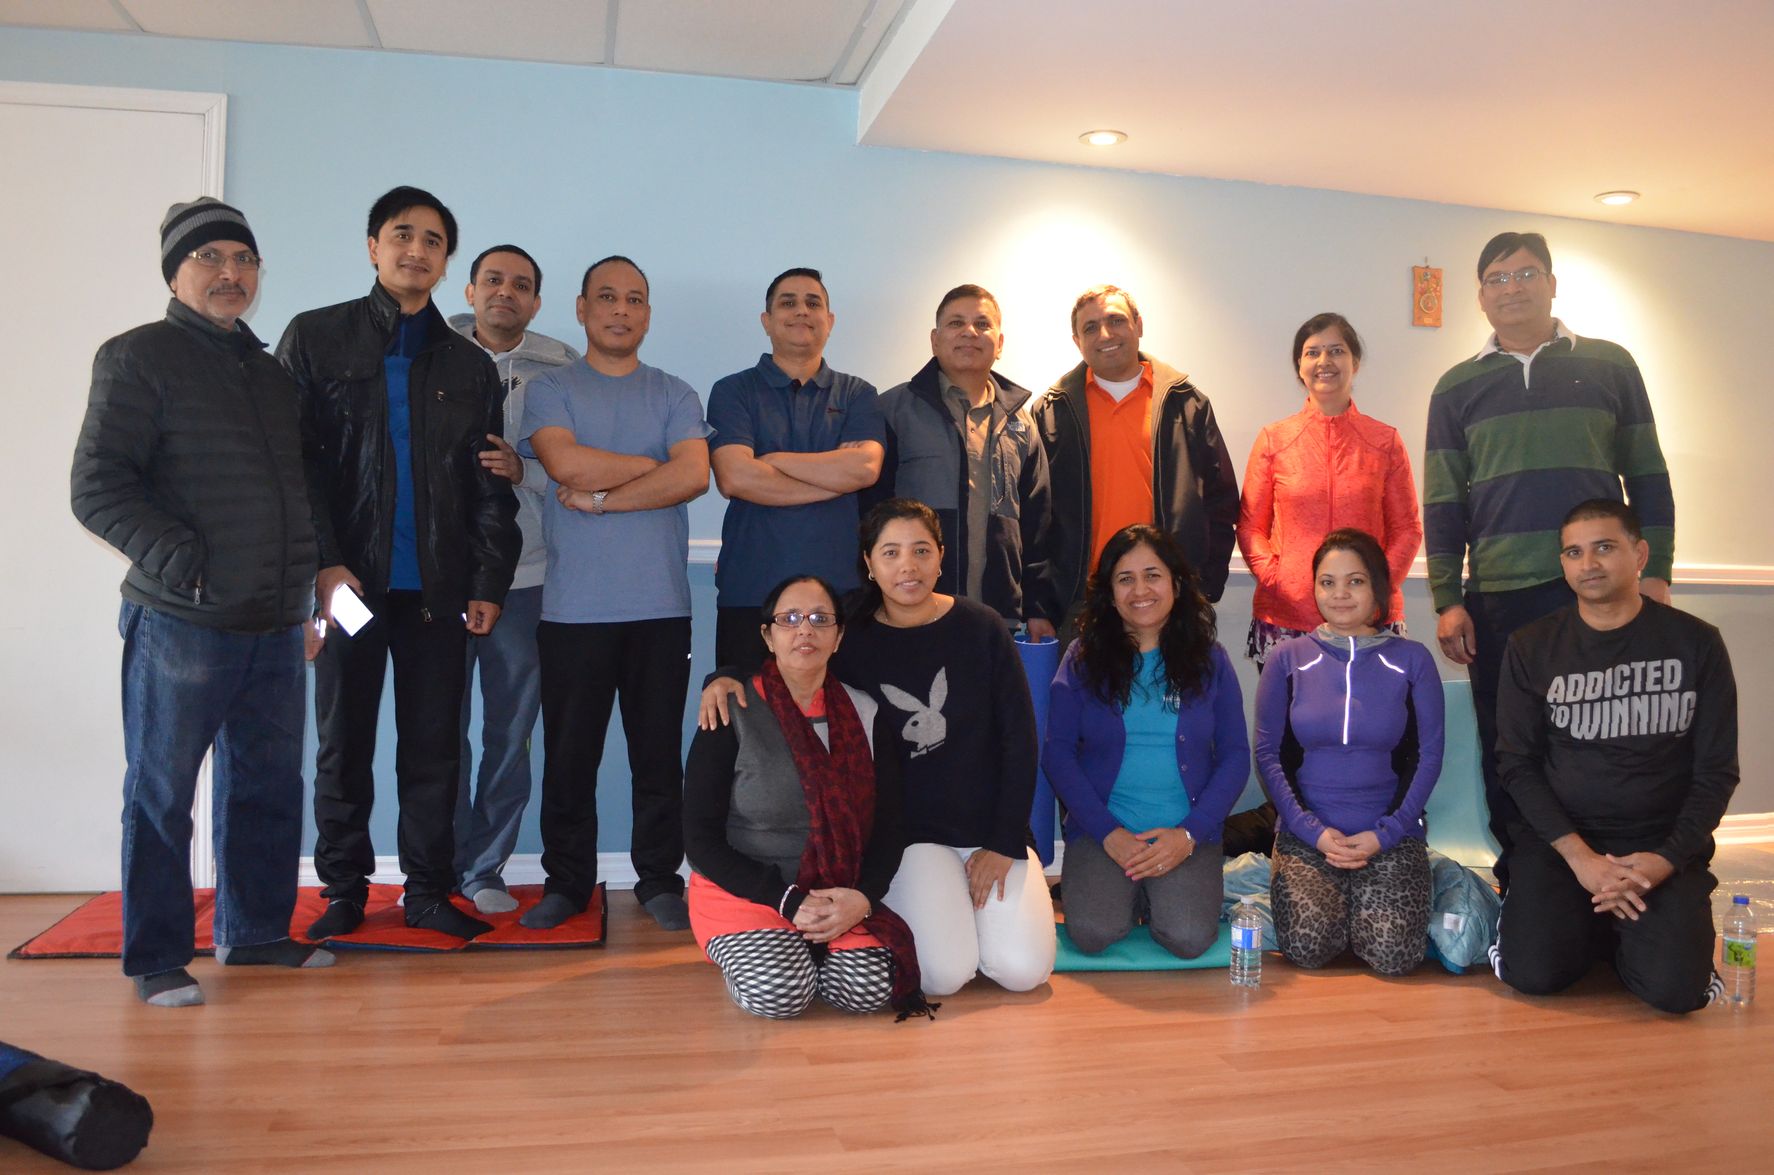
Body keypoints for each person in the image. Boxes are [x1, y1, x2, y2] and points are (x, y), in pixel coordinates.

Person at [71, 197, 333, 1005]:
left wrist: (307, 591)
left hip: (276, 623)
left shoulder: (271, 374)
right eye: (210, 257)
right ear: (175, 273)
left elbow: (298, 492)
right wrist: (184, 562)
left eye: (244, 259)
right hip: (180, 621)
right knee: (161, 794)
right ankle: (155, 956)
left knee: (268, 786)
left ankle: (253, 933)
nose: (231, 273)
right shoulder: (136, 357)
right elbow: (98, 487)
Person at [280, 186, 520, 943]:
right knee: (342, 743)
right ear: (372, 247)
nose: (417, 250)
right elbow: (292, 466)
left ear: (447, 262)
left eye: (433, 241)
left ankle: (427, 892)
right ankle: (344, 889)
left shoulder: (469, 364)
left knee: (434, 748)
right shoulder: (316, 337)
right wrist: (324, 565)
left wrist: (488, 581)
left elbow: (490, 485)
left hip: (436, 591)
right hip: (348, 587)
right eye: (402, 235)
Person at [702, 500, 1057, 996]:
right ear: (869, 562)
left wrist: (1002, 842)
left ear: (940, 557)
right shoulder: (850, 631)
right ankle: (959, 923)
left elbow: (1020, 739)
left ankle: (982, 924)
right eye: (890, 552)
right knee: (942, 976)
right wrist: (722, 678)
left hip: (991, 830)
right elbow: (789, 651)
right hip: (909, 838)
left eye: (921, 551)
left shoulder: (982, 627)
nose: (907, 566)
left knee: (1024, 972)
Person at [1425, 232, 1675, 887]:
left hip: (1598, 591)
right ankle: (1529, 879)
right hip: (1499, 596)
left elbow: (1647, 474)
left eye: (1526, 273)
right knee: (1512, 742)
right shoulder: (1456, 387)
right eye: (1498, 278)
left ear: (1552, 284)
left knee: (1609, 734)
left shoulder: (1610, 365)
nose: (1512, 288)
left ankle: (1616, 871)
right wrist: (1448, 598)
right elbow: (1444, 501)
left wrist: (1655, 572)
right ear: (1481, 296)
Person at [519, 255, 711, 932]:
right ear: (582, 309)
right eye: (607, 297)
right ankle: (567, 883)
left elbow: (694, 478)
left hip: (661, 607)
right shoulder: (551, 388)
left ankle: (659, 879)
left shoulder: (675, 393)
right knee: (570, 757)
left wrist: (601, 499)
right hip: (573, 610)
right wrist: (655, 467)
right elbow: (564, 463)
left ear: (648, 314)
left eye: (634, 299)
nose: (620, 310)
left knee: (657, 757)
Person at [1489, 501, 1736, 1013]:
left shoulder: (1697, 643)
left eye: (1604, 547)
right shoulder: (1531, 646)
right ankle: (1601, 925)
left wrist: (1665, 860)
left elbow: (1716, 772)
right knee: (1532, 974)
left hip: (1658, 847)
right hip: (1562, 846)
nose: (1589, 564)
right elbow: (1516, 764)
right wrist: (1581, 859)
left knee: (1676, 992)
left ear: (1639, 554)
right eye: (1573, 552)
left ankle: (1619, 926)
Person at [683, 575, 928, 1019]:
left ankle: (802, 953)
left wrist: (863, 898)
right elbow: (699, 839)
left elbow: (890, 825)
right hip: (746, 892)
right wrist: (787, 902)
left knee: (872, 989)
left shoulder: (865, 712)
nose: (805, 630)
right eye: (790, 619)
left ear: (838, 637)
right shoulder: (730, 708)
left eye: (820, 619)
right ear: (768, 636)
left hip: (835, 891)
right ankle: (776, 957)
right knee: (781, 994)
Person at [1230, 312, 1422, 855]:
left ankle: (1380, 838)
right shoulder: (1275, 439)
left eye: (1337, 350)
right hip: (1288, 619)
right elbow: (1250, 524)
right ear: (1299, 366)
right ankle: (1296, 843)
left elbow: (1407, 528)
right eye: (1313, 352)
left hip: (1373, 627)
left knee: (1376, 737)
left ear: (1355, 362)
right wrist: (1278, 576)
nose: (1324, 361)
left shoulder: (1384, 441)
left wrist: (1374, 594)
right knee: (1292, 744)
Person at [447, 244, 581, 914]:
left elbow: (581, 469)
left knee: (510, 732)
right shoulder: (428, 352)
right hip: (439, 576)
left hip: (527, 578)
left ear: (536, 301)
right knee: (438, 731)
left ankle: (485, 867)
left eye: (521, 284)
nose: (506, 292)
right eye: (493, 280)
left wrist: (527, 471)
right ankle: (436, 866)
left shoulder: (564, 369)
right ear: (470, 290)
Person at [1043, 525, 1248, 959]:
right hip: (1105, 831)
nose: (1140, 590)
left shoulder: (1211, 660)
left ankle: (1155, 892)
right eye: (1125, 578)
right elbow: (1057, 754)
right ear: (1109, 592)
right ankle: (1132, 892)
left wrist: (1189, 834)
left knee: (1188, 937)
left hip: (1184, 832)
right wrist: (1108, 834)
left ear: (1176, 583)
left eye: (1152, 575)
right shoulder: (1081, 659)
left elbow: (1235, 757)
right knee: (1094, 932)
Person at [1254, 529, 1446, 976]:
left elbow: (1429, 755)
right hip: (1309, 835)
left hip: (1390, 834)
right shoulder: (1286, 659)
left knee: (1393, 956)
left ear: (1378, 587)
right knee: (1308, 947)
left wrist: (1387, 833)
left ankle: (1397, 883)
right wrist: (1313, 832)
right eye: (1327, 582)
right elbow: (1268, 755)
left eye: (1355, 581)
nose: (1339, 594)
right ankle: (1340, 897)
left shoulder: (1412, 659)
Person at [705, 268, 884, 677]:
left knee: (842, 715)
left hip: (841, 595)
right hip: (751, 592)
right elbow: (735, 478)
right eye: (788, 302)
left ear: (829, 321)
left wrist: (774, 460)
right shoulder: (732, 391)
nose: (801, 310)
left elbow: (865, 468)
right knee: (748, 715)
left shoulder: (858, 394)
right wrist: (834, 479)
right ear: (766, 321)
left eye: (812, 303)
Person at [1033, 284, 1237, 620]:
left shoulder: (1186, 404)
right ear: (1077, 341)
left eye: (1116, 320)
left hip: (1169, 601)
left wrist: (1203, 588)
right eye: (1090, 327)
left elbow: (1221, 502)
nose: (1105, 334)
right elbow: (1036, 517)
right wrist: (1043, 603)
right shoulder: (1052, 411)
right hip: (1082, 603)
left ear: (1138, 326)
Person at [873, 284, 1056, 637]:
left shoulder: (1022, 424)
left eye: (982, 324)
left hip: (1000, 618)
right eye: (956, 323)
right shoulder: (893, 411)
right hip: (911, 613)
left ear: (999, 343)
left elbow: (1038, 525)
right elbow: (869, 515)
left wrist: (1038, 607)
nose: (969, 332)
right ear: (935, 340)